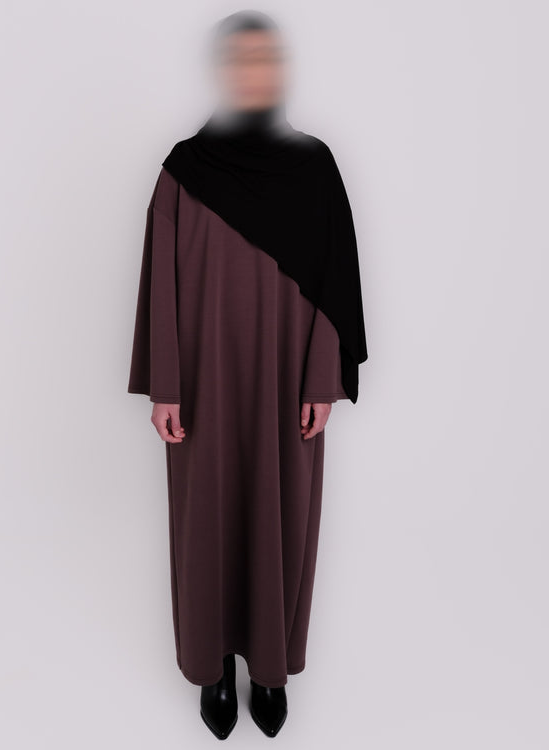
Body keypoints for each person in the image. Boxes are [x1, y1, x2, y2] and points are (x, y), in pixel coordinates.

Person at [127, 9, 368, 740]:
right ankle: (212, 670)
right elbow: (160, 287)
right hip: (203, 386)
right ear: (221, 73)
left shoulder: (314, 168)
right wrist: (167, 386)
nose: (254, 73)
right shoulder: (183, 171)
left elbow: (335, 282)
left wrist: (321, 380)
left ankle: (268, 669)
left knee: (280, 515)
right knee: (205, 522)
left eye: (267, 59)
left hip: (285, 386)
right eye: (240, 60)